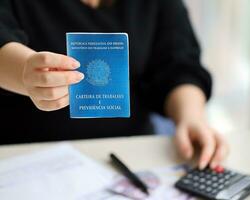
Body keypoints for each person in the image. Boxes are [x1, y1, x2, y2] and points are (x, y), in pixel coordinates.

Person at [0, 0, 229, 169]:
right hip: (27, 160)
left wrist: (190, 118)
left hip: (130, 159)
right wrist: (25, 71)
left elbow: (178, 63)